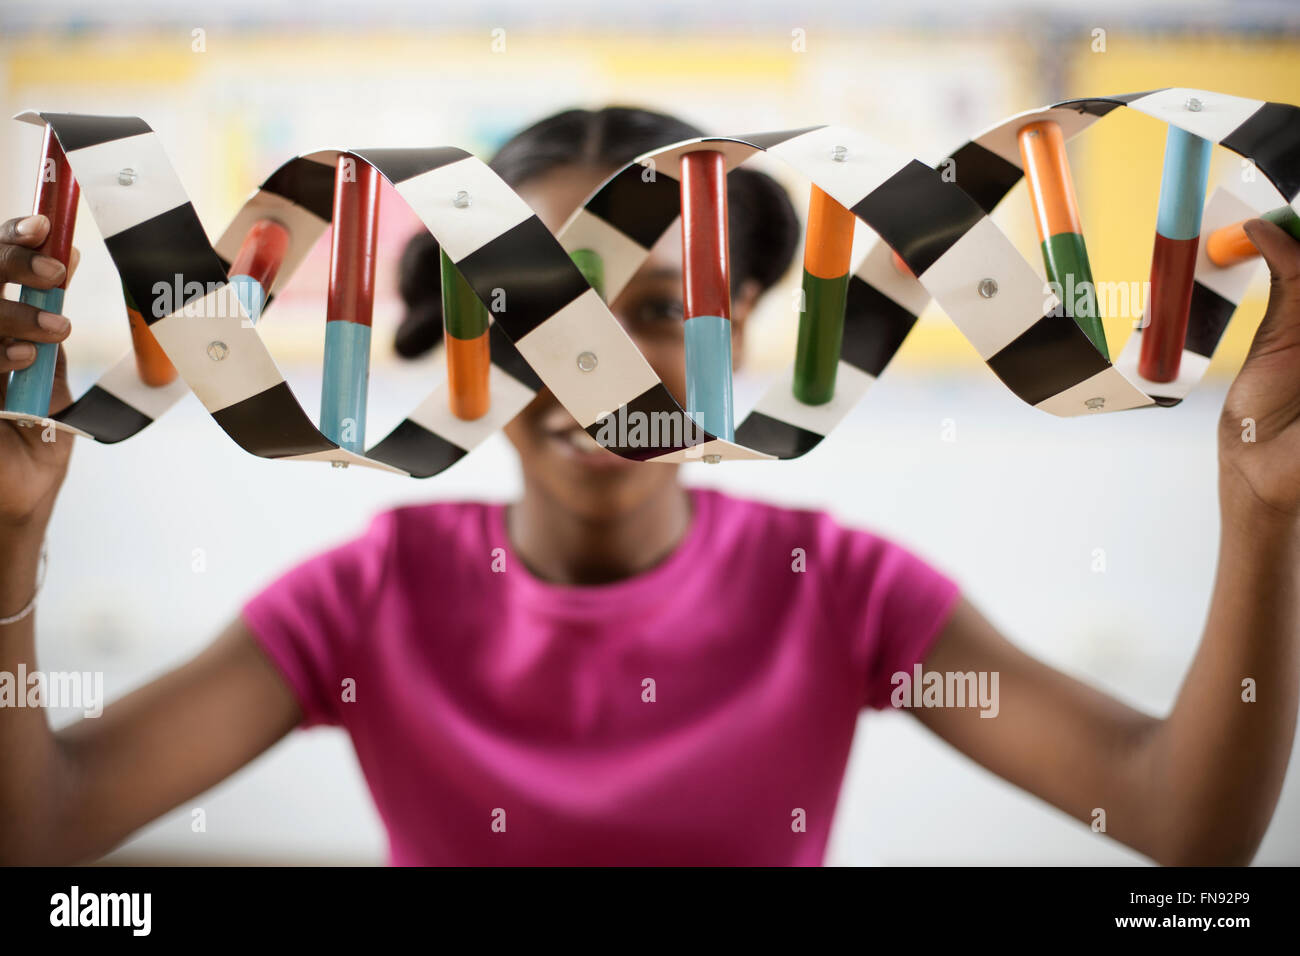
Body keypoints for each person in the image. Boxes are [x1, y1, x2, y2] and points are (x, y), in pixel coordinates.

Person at [1, 106, 1297, 866]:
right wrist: (7, 548)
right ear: (465, 339)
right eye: (543, 314)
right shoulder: (368, 597)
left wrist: (1264, 509)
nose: (596, 367)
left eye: (665, 309)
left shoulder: (838, 589)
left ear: (745, 335)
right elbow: (42, 831)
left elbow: (1185, 828)